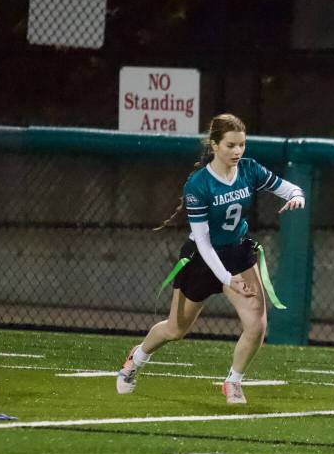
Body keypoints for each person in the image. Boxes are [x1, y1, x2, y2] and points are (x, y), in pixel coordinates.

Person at [116, 114, 305, 403]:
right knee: (176, 329)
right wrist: (227, 279)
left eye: (242, 145)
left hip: (238, 252)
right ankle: (136, 358)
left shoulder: (249, 169)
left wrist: (297, 195)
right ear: (214, 145)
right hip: (203, 259)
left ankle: (234, 381)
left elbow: (288, 187)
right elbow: (203, 242)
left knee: (257, 324)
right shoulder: (199, 184)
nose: (238, 151)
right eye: (231, 145)